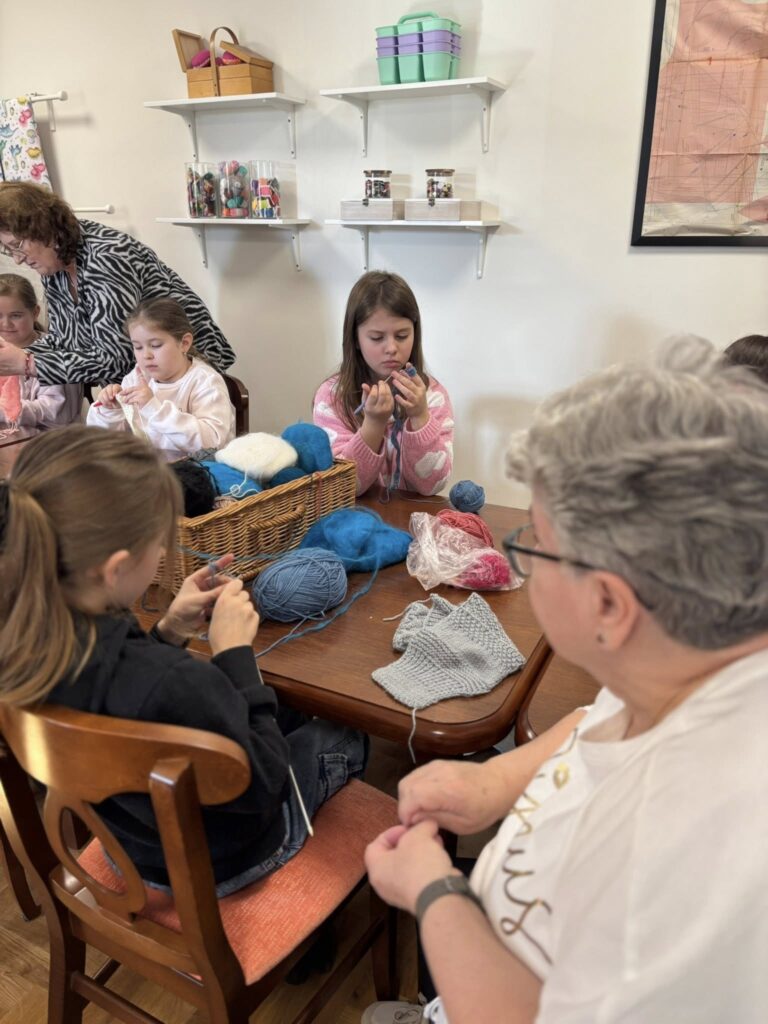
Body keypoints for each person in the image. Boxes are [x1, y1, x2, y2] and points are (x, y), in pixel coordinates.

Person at [363, 337, 768, 1024]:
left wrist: (434, 892)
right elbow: (598, 723)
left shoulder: (698, 853)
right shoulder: (693, 655)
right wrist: (493, 782)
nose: (520, 561)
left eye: (532, 543)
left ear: (609, 605)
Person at [0, 426, 367, 896]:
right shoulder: (178, 683)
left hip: (128, 846)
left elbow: (126, 686)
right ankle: (316, 911)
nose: (166, 550)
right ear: (116, 569)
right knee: (345, 729)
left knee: (282, 710)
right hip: (228, 860)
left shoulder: (29, 644)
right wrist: (234, 652)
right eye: (160, 541)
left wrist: (169, 629)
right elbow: (265, 783)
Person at [0, 182, 235, 385]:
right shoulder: (55, 265)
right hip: (143, 385)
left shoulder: (106, 257)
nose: (18, 259)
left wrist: (28, 363)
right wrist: (15, 356)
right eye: (9, 250)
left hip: (188, 377)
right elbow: (64, 340)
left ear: (43, 228)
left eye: (17, 245)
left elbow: (117, 359)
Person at [313, 271, 453, 496]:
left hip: (412, 521)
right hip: (354, 521)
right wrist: (373, 424)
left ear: (415, 333)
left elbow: (432, 486)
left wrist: (420, 417)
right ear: (355, 340)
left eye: (402, 336)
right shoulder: (331, 397)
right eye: (377, 338)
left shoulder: (432, 395)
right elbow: (343, 488)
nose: (391, 348)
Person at [86, 298, 235, 460]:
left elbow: (212, 443)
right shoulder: (136, 378)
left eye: (156, 345)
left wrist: (154, 408)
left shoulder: (205, 381)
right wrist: (110, 411)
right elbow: (106, 442)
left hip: (201, 471)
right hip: (150, 471)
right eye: (138, 347)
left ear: (184, 343)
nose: (146, 355)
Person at [0, 273, 82, 430]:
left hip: (52, 443)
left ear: (35, 313)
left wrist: (5, 410)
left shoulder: (55, 354)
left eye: (16, 316)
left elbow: (56, 414)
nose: (6, 324)